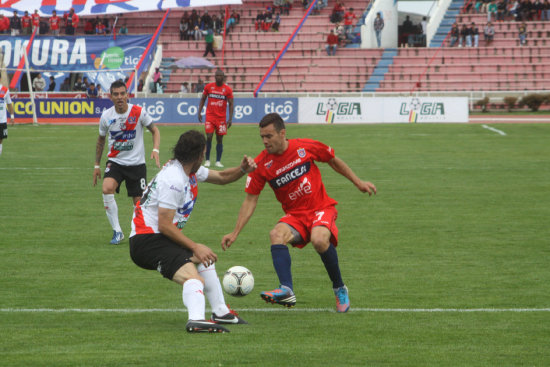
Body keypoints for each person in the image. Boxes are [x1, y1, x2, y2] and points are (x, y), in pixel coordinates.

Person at [221, 113, 377, 313]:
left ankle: (339, 287)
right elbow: (250, 199)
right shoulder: (261, 164)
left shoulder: (304, 147)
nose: (265, 141)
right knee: (276, 234)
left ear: (283, 133)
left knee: (319, 240)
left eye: (269, 136)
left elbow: (332, 159)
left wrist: (359, 182)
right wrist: (235, 232)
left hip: (321, 208)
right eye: (262, 137)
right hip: (296, 216)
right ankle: (287, 290)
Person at [130, 130, 256, 333]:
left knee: (204, 259)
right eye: (204, 153)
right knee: (193, 278)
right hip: (147, 242)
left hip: (157, 237)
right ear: (198, 156)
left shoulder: (188, 170)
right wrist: (195, 245)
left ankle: (220, 311)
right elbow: (164, 224)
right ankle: (196, 320)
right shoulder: (174, 179)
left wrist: (243, 169)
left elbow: (222, 177)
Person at [93, 80, 161, 245]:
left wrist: (155, 149)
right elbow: (101, 141)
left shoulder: (138, 112)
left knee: (138, 203)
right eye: (116, 94)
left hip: (137, 165)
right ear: (111, 97)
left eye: (122, 94)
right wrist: (96, 165)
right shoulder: (106, 116)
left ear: (127, 95)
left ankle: (137, 232)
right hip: (115, 162)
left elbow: (155, 130)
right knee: (106, 188)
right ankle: (117, 231)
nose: (119, 97)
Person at [197, 69, 233, 168]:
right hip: (210, 117)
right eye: (216, 75)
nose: (218, 77)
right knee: (208, 137)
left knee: (219, 139)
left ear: (223, 77)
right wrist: (199, 112)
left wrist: (230, 119)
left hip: (221, 118)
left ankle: (218, 161)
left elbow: (231, 104)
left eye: (220, 76)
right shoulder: (209, 87)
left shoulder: (227, 90)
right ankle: (207, 160)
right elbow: (203, 99)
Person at [0, 84, 15, 157]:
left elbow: (9, 104)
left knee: (0, 140)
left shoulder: (5, 90)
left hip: (2, 120)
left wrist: (12, 116)